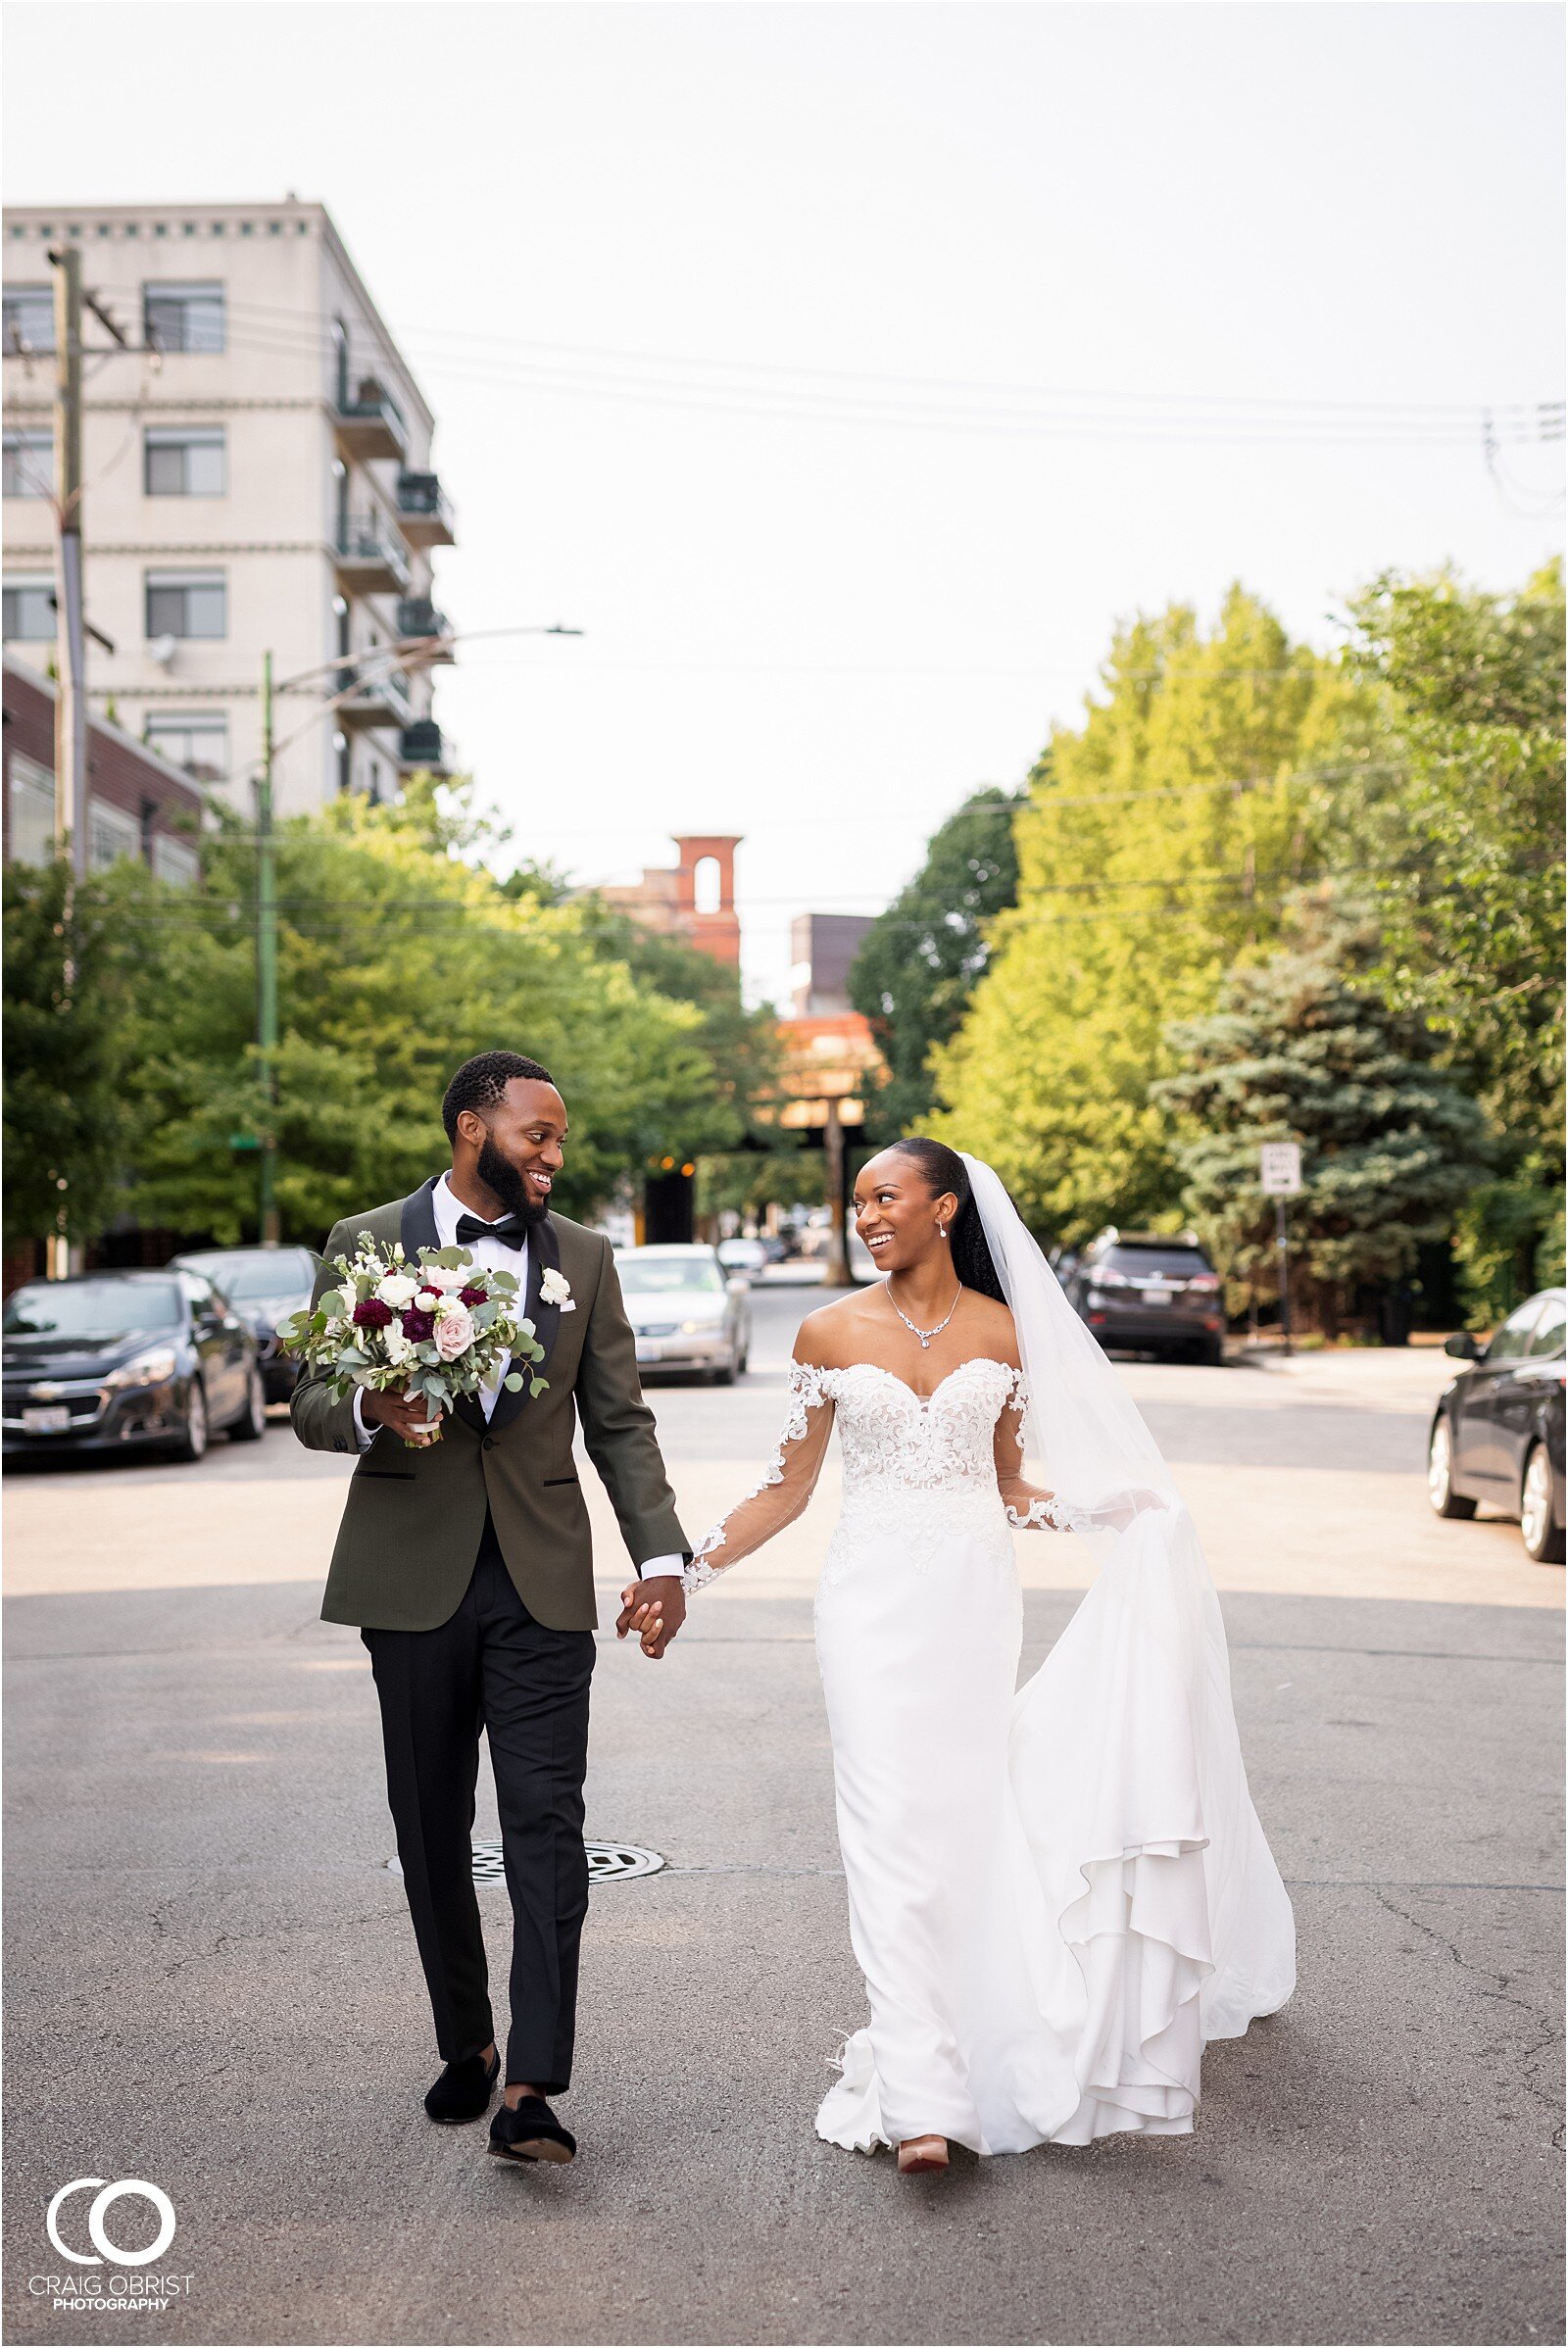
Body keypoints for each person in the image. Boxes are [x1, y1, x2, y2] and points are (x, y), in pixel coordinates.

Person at [619, 1138, 1295, 2174]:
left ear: (943, 1206)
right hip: (868, 1603)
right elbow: (783, 1489)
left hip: (973, 1598)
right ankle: (923, 2098)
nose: (865, 1215)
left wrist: (1104, 1511)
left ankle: (980, 2032)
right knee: (886, 1831)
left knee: (964, 1827)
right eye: (856, 1201)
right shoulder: (827, 1329)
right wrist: (681, 1575)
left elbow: (1008, 1483)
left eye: (883, 1196)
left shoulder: (1005, 1331)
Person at [293, 1051, 690, 2169]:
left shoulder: (585, 1261)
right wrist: (371, 1400)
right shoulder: (363, 1241)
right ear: (475, 1126)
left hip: (542, 1578)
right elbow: (311, 1400)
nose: (555, 1157)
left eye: (559, 1139)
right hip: (407, 1572)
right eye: (538, 1135)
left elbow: (620, 1422)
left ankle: (530, 2081)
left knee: (545, 1825)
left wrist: (661, 1556)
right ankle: (466, 2039)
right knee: (429, 1828)